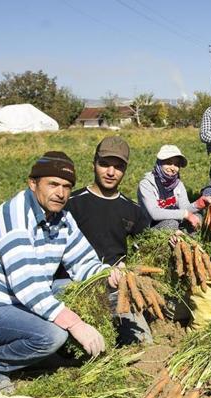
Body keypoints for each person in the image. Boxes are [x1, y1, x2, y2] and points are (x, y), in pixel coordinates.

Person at [0, 151, 122, 394]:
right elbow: (28, 287)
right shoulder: (13, 220)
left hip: (23, 296)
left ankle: (36, 351)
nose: (61, 193)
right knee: (53, 335)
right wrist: (75, 324)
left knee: (90, 291)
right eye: (53, 184)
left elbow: (82, 260)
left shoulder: (62, 218)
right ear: (33, 183)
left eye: (67, 186)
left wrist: (104, 274)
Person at [63, 136, 153, 345]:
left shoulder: (132, 210)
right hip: (76, 286)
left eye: (118, 167)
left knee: (143, 343)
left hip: (116, 289)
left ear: (125, 170)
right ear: (93, 163)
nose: (111, 172)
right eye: (104, 164)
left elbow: (148, 245)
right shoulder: (72, 204)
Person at [138, 145, 210, 230]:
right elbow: (154, 213)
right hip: (151, 228)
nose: (172, 168)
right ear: (159, 163)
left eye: (176, 165)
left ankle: (190, 243)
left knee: (198, 217)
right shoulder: (146, 184)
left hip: (174, 226)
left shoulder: (178, 184)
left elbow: (184, 208)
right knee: (171, 223)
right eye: (168, 163)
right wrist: (184, 214)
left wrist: (198, 204)